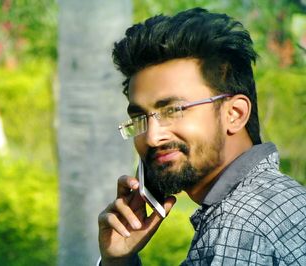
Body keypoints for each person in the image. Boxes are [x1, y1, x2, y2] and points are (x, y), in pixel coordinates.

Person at [97, 7, 306, 265]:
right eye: (140, 119)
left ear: (235, 113)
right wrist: (119, 260)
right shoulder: (285, 198)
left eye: (173, 110)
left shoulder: (237, 227)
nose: (152, 137)